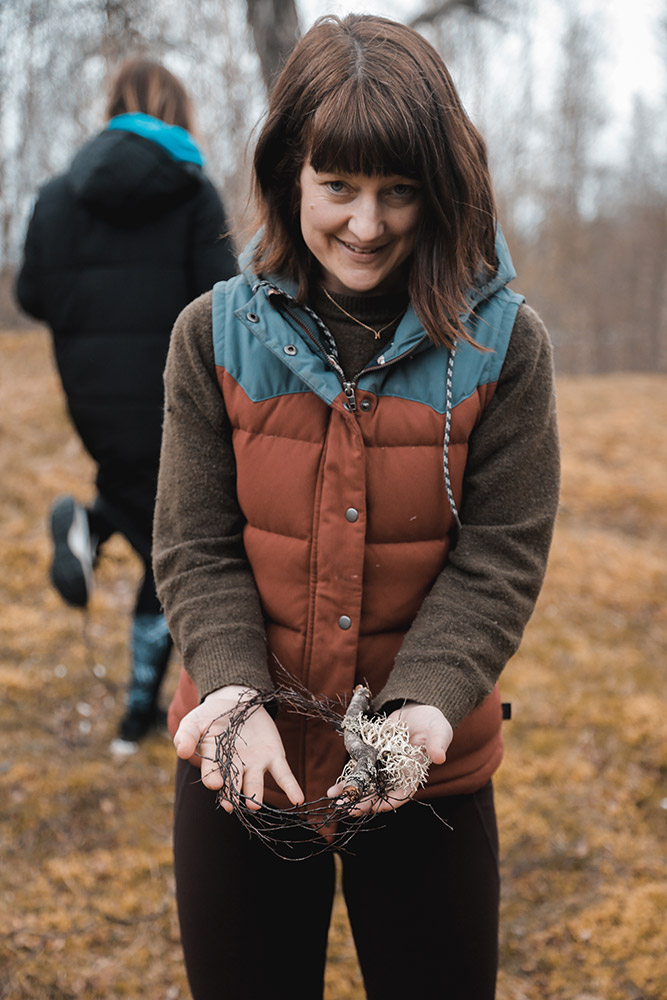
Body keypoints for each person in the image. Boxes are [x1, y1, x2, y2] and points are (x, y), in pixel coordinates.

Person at [153, 14, 559, 1000]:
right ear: (290, 173)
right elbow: (196, 542)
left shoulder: (506, 348)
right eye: (337, 187)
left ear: (441, 189)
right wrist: (235, 691)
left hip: (428, 775)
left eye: (397, 192)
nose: (365, 225)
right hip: (243, 765)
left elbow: (500, 548)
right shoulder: (209, 336)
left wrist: (421, 708)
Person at [15, 59, 236, 746]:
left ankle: (87, 525)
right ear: (179, 112)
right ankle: (138, 714)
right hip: (172, 405)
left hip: (95, 408)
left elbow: (30, 297)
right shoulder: (193, 192)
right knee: (174, 545)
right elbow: (222, 302)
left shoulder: (55, 196)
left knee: (139, 510)